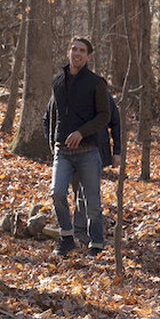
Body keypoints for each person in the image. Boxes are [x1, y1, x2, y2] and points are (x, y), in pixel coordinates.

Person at [42, 37, 110, 258]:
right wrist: (53, 140)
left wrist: (82, 132)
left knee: (92, 202)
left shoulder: (96, 83)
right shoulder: (58, 81)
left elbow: (105, 116)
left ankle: (97, 244)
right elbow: (54, 114)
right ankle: (67, 238)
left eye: (82, 50)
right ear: (68, 52)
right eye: (73, 49)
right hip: (62, 152)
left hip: (88, 152)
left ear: (89, 56)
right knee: (57, 193)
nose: (77, 53)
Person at [72, 95, 121, 254]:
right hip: (70, 151)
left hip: (96, 151)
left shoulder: (102, 94)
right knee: (79, 190)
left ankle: (84, 232)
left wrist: (117, 152)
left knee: (86, 191)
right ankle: (83, 230)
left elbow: (115, 122)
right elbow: (49, 117)